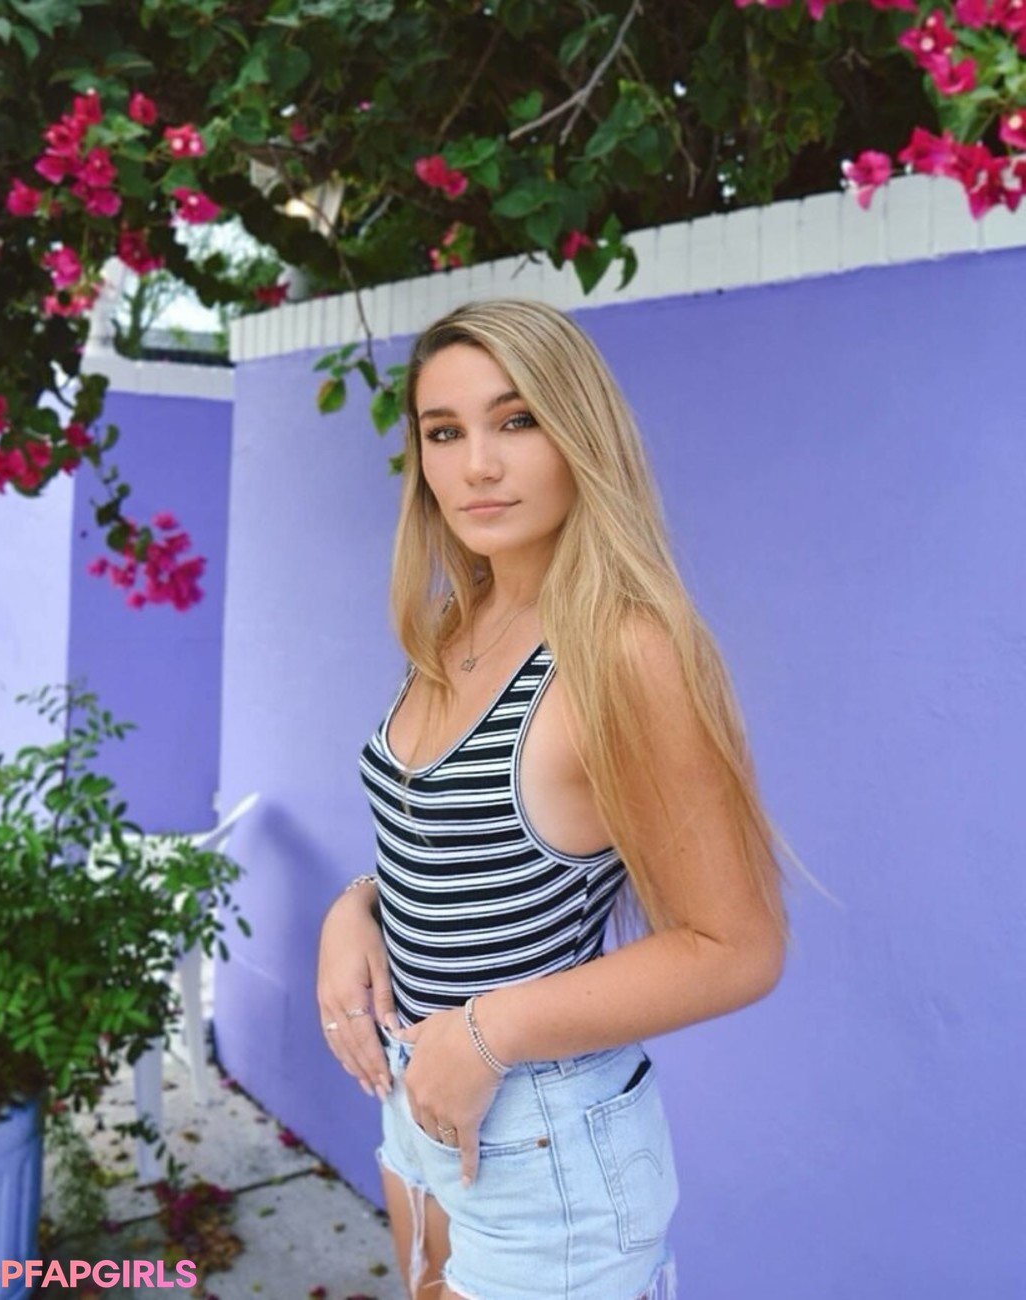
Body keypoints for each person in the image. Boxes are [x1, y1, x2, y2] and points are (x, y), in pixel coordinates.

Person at [316, 298, 788, 1300]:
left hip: (541, 1139)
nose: (477, 465)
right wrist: (354, 909)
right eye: (445, 432)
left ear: (580, 432)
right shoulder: (459, 621)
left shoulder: (622, 651)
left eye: (517, 420)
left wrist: (485, 1033)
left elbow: (737, 946)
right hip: (421, 1098)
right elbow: (455, 847)